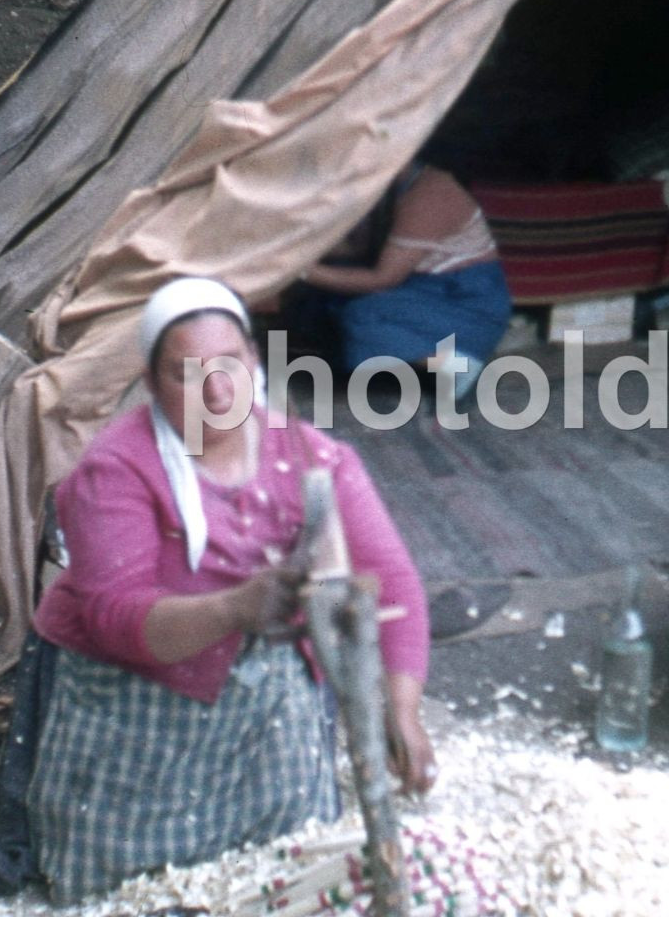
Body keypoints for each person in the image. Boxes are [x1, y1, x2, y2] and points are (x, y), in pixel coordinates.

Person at [25, 277, 434, 904]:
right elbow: (115, 617)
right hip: (134, 704)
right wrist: (236, 607)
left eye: (231, 365)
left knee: (283, 876)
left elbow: (394, 582)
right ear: (152, 383)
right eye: (189, 375)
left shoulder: (310, 457)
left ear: (254, 361)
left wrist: (401, 707)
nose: (218, 393)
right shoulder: (116, 469)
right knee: (132, 894)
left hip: (268, 709)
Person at [298, 163, 512, 398]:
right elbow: (355, 248)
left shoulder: (431, 193)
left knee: (363, 314)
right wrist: (296, 252)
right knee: (327, 296)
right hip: (421, 291)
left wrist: (299, 270)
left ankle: (459, 366)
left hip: (464, 303)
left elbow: (382, 279)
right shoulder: (391, 187)